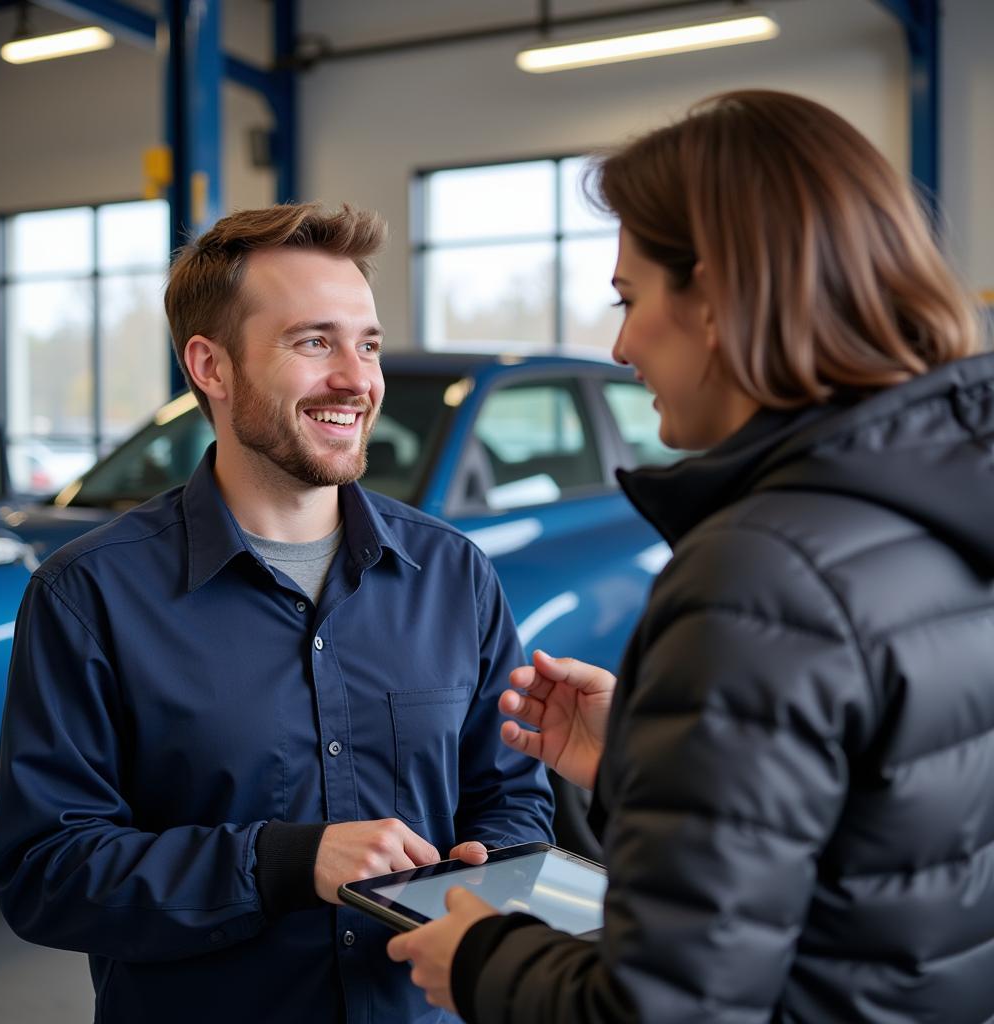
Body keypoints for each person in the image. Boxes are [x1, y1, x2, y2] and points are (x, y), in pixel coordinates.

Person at [387, 90, 994, 1023]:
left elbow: (666, 1010)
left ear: (714, 298)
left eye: (630, 300)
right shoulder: (943, 517)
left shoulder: (762, 572)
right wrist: (652, 751)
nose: (622, 345)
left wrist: (481, 959)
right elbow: (881, 850)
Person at [0, 202, 554, 1023]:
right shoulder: (91, 596)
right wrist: (281, 863)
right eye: (313, 341)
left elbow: (510, 794)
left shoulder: (452, 574)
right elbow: (49, 873)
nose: (357, 381)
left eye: (367, 344)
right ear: (210, 366)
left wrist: (486, 865)